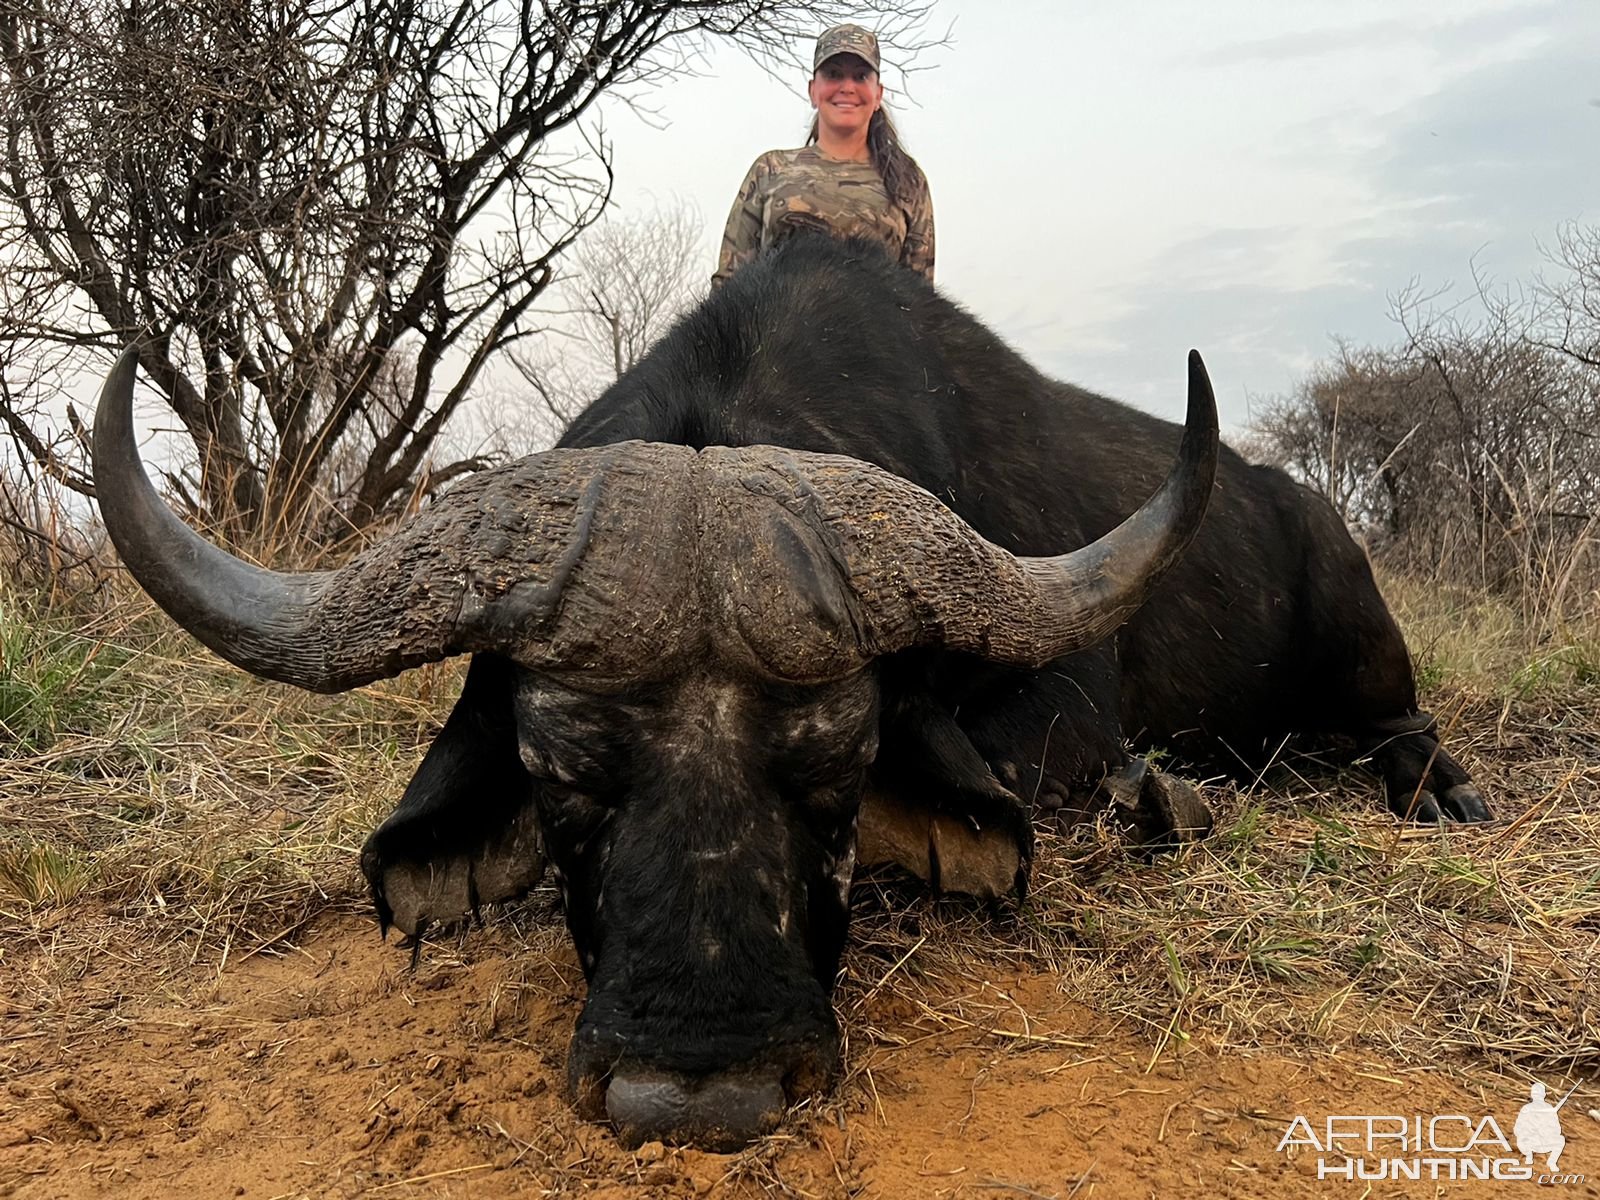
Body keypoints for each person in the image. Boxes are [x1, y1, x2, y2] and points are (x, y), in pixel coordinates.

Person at [711, 24, 934, 290]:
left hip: (871, 330)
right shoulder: (771, 169)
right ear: (813, 90)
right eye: (833, 74)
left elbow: (920, 300)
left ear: (878, 95)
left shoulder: (908, 181)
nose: (847, 87)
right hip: (776, 328)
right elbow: (729, 285)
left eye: (861, 76)